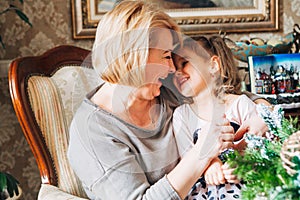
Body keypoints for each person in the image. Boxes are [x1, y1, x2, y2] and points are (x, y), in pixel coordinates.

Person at [67, 1, 235, 200]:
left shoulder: (166, 92)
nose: (172, 68)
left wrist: (260, 107)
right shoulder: (93, 133)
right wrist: (202, 154)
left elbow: (218, 94)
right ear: (134, 57)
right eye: (165, 56)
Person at [171, 35, 269, 199]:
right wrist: (210, 165)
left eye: (185, 62)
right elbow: (187, 158)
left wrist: (242, 166)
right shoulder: (182, 115)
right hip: (205, 190)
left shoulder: (239, 104)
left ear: (213, 65)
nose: (178, 72)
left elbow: (265, 148)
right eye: (174, 70)